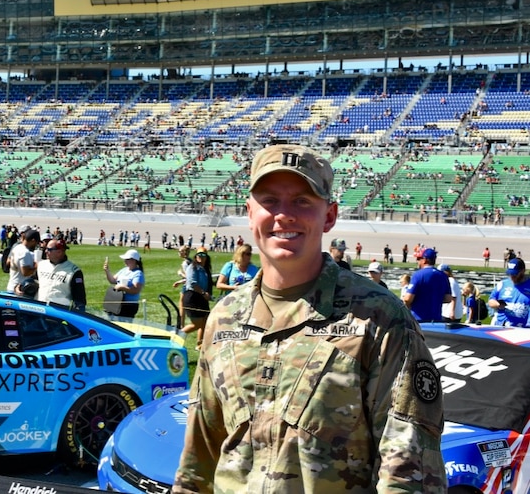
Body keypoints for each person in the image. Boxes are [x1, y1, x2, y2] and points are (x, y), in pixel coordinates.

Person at [174, 144, 445, 493]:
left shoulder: (377, 318)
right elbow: (200, 455)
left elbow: (409, 473)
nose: (284, 214)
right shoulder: (225, 318)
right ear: (249, 212)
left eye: (302, 201)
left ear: (329, 215)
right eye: (269, 200)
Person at [36, 238, 87, 312]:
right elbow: (33, 282)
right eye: (45, 249)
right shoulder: (41, 265)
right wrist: (19, 287)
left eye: (49, 250)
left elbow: (80, 300)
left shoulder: (74, 271)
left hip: (59, 314)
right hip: (40, 310)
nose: (46, 251)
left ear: (59, 252)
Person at [402, 247, 452, 322]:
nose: (417, 261)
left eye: (419, 259)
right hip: (436, 319)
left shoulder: (418, 275)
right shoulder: (443, 276)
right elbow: (448, 299)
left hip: (418, 320)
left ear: (425, 260)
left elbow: (408, 299)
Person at [180, 248, 213, 345]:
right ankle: (177, 336)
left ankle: (200, 344)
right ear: (195, 256)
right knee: (197, 324)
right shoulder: (192, 267)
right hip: (193, 297)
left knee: (205, 322)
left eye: (203, 255)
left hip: (202, 298)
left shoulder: (205, 269)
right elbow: (192, 284)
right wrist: (203, 293)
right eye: (199, 255)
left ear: (207, 257)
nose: (201, 257)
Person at [103, 248, 145, 318]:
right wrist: (107, 271)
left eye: (127, 259)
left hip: (129, 305)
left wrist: (122, 287)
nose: (125, 261)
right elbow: (112, 280)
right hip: (118, 302)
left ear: (134, 260)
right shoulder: (124, 270)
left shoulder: (138, 273)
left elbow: (136, 290)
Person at [488, 258, 530, 327]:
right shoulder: (502, 284)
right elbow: (491, 301)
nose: (512, 276)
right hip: (501, 326)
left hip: (523, 329)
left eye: (515, 274)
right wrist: (498, 304)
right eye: (510, 274)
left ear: (523, 271)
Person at [6, 228, 40, 293]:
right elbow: (25, 273)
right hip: (20, 289)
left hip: (12, 284)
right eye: (36, 243)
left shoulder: (17, 247)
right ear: (33, 240)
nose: (36, 245)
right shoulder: (25, 252)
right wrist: (37, 266)